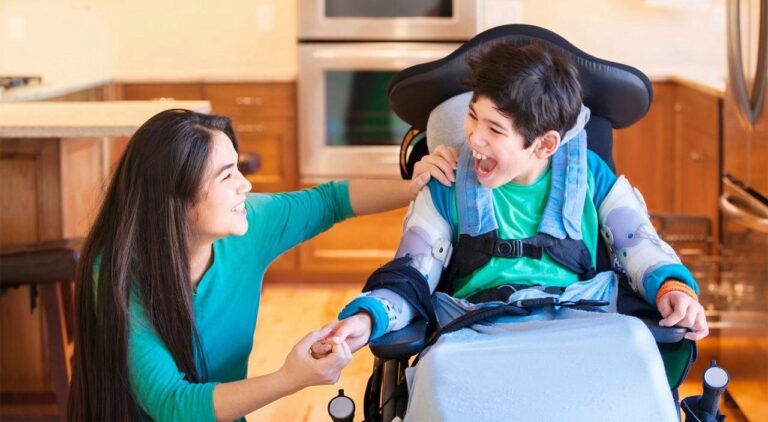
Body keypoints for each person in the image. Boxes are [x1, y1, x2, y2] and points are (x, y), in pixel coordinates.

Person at [312, 41, 708, 361]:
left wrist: (672, 288)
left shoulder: (589, 175)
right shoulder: (449, 181)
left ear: (545, 144)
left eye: (495, 129)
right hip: (478, 338)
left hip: (583, 334)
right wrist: (368, 317)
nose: (474, 138)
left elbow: (639, 245)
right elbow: (411, 273)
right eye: (472, 117)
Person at [66, 109, 423, 421]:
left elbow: (332, 201)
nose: (245, 184)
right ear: (176, 198)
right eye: (227, 176)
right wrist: (290, 378)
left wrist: (419, 188)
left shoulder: (249, 224)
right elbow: (171, 405)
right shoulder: (119, 273)